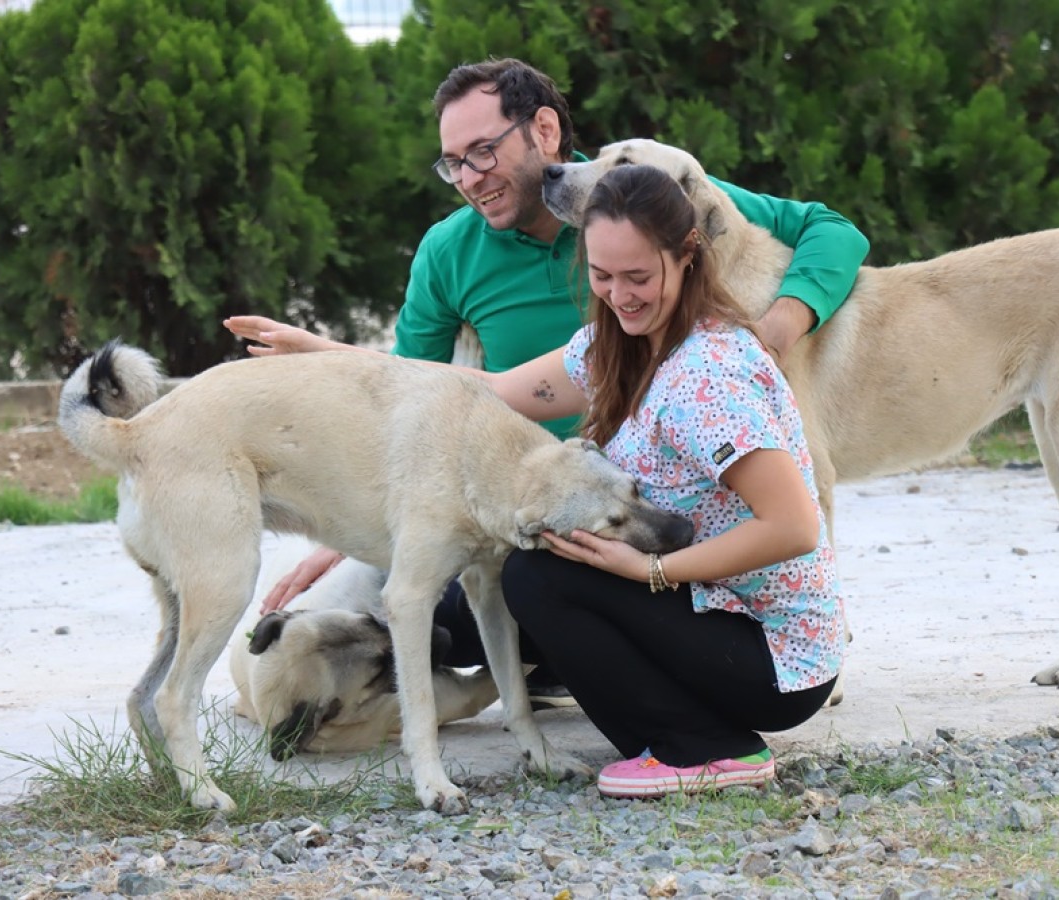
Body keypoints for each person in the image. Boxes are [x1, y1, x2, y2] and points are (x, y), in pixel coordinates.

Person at [224, 57, 866, 709]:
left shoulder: (640, 192)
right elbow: (430, 401)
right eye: (454, 163)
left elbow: (832, 230)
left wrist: (779, 326)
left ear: (546, 130)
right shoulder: (462, 259)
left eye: (483, 152)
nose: (470, 179)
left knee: (522, 593)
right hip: (505, 503)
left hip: (627, 514)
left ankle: (610, 682)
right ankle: (552, 659)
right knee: (323, 639)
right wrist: (352, 530)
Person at [433, 163, 842, 797]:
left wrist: (646, 572)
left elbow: (794, 525)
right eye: (601, 276)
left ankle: (706, 746)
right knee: (463, 612)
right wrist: (326, 359)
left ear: (686, 258)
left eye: (638, 277)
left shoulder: (709, 377)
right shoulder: (617, 344)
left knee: (537, 579)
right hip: (707, 611)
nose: (620, 295)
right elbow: (486, 390)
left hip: (773, 656)